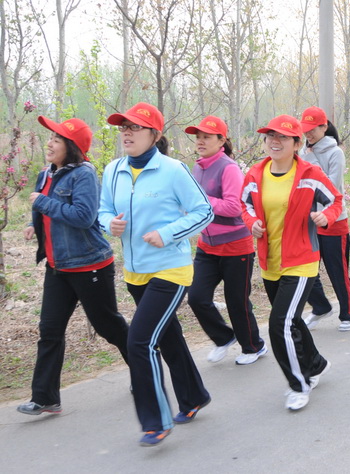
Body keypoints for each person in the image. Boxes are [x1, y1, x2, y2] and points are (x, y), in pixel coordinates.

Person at [99, 102, 213, 446]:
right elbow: (102, 211)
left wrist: (168, 234)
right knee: (168, 336)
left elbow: (203, 211)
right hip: (136, 272)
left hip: (171, 270)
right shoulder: (113, 170)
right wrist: (109, 223)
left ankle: (155, 421)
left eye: (135, 127)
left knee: (139, 341)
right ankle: (193, 396)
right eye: (123, 127)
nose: (127, 133)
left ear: (155, 134)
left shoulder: (173, 170)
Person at [17, 116, 129, 417]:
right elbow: (45, 207)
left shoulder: (84, 174)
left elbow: (83, 216)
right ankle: (45, 398)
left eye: (57, 139)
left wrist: (42, 204)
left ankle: (145, 366)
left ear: (72, 146)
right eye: (50, 138)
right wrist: (33, 223)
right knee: (50, 330)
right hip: (58, 267)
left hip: (89, 265)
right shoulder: (46, 173)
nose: (49, 143)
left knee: (109, 327)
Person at [241, 114, 342, 410]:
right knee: (292, 320)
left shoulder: (309, 174)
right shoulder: (255, 174)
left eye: (283, 137)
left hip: (301, 260)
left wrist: (326, 217)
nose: (274, 141)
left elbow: (336, 200)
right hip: (270, 260)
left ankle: (298, 384)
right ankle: (316, 363)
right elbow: (244, 205)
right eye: (270, 135)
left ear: (297, 143)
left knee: (279, 324)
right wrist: (251, 223)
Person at [184, 116, 267, 365]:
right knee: (197, 297)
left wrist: (200, 201)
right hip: (207, 246)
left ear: (222, 140)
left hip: (235, 247)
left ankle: (253, 346)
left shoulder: (228, 167)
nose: (200, 141)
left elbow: (233, 207)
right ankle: (223, 337)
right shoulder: (197, 167)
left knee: (236, 302)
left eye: (207, 137)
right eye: (198, 137)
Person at [299, 106, 350, 332]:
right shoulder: (303, 151)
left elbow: (331, 188)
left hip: (333, 220)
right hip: (308, 221)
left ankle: (348, 314)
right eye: (305, 130)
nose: (308, 134)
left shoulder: (335, 153)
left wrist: (310, 159)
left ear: (324, 127)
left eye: (313, 129)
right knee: (304, 268)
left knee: (337, 271)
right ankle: (320, 306)